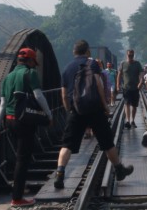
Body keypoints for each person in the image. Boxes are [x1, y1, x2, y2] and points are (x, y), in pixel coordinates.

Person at [54, 40, 133, 189]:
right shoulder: (92, 64)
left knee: (67, 144)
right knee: (107, 142)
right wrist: (105, 106)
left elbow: (64, 94)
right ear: (87, 51)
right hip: (95, 109)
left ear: (74, 52)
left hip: (76, 110)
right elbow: (98, 84)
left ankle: (60, 173)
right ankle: (119, 169)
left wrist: (69, 110)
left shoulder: (66, 69)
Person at [0, 47, 52, 207]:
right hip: (24, 121)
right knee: (22, 159)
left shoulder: (8, 77)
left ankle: (19, 188)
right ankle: (17, 198)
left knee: (19, 156)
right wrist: (49, 116)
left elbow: (3, 104)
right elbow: (39, 96)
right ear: (30, 61)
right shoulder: (30, 73)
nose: (34, 65)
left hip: (9, 121)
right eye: (33, 62)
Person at [116, 49, 143, 129]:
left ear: (133, 55)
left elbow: (141, 74)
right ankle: (128, 120)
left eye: (132, 55)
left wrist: (141, 82)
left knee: (134, 105)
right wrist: (117, 85)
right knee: (127, 104)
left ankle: (132, 120)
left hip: (135, 87)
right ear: (126, 55)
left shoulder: (137, 64)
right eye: (129, 55)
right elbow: (119, 75)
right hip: (126, 87)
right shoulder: (123, 64)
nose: (130, 57)